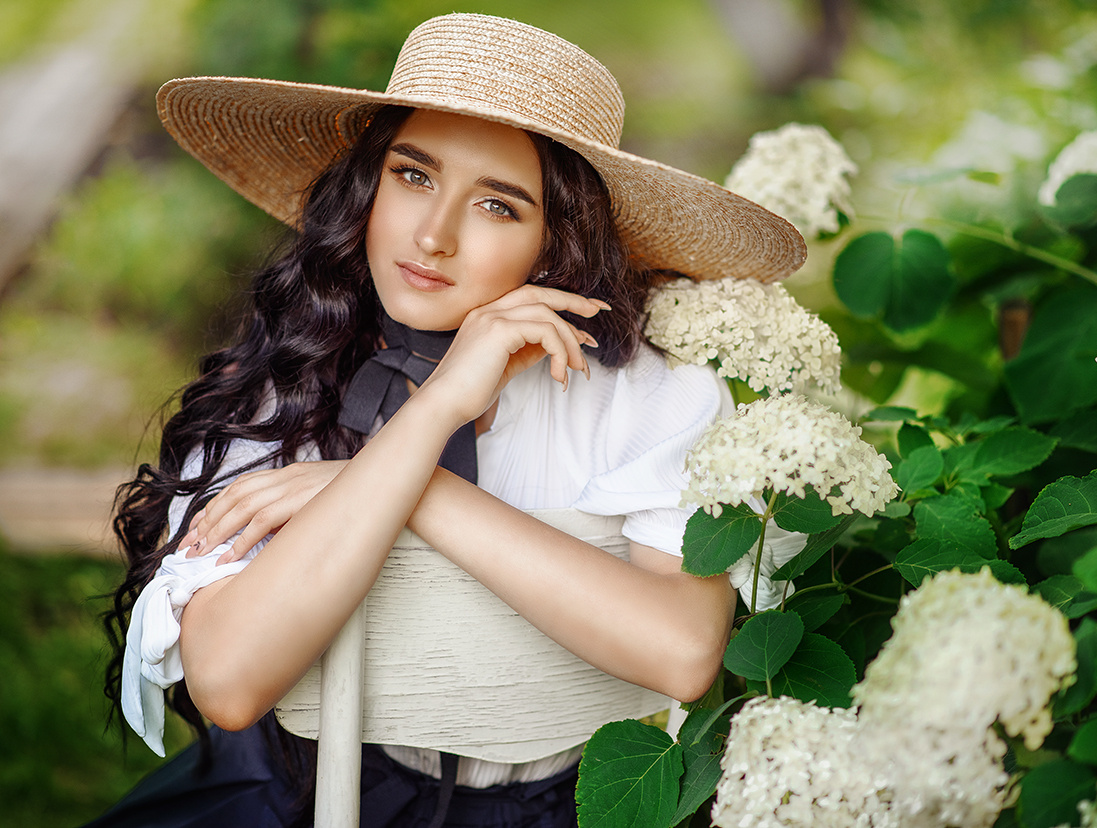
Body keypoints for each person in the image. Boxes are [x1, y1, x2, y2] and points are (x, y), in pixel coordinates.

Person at [92, 12, 805, 828]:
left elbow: (682, 654)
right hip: (292, 790)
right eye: (413, 175)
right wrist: (437, 411)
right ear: (367, 183)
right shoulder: (288, 373)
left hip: (554, 806)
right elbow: (229, 682)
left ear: (555, 241)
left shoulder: (649, 397)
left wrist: (402, 483)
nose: (432, 236)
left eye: (498, 206)